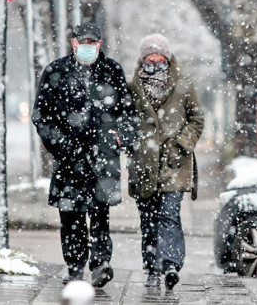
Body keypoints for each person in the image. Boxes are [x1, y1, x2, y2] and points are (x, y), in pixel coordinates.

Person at [32, 23, 137, 287]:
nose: (88, 47)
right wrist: (61, 143)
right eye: (83, 42)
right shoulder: (56, 71)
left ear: (100, 44)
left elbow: (127, 113)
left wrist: (118, 137)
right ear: (74, 43)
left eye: (93, 42)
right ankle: (75, 267)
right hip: (69, 159)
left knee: (100, 213)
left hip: (102, 157)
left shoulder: (111, 71)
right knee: (71, 215)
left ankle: (100, 262)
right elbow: (42, 116)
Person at [127, 34, 205, 290]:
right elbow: (126, 121)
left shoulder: (183, 83)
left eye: (159, 55)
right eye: (150, 55)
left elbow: (197, 119)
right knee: (148, 219)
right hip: (144, 164)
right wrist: (132, 143)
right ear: (143, 58)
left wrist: (182, 143)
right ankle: (151, 269)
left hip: (174, 163)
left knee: (169, 215)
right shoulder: (133, 86)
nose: (155, 59)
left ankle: (170, 265)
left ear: (167, 57)